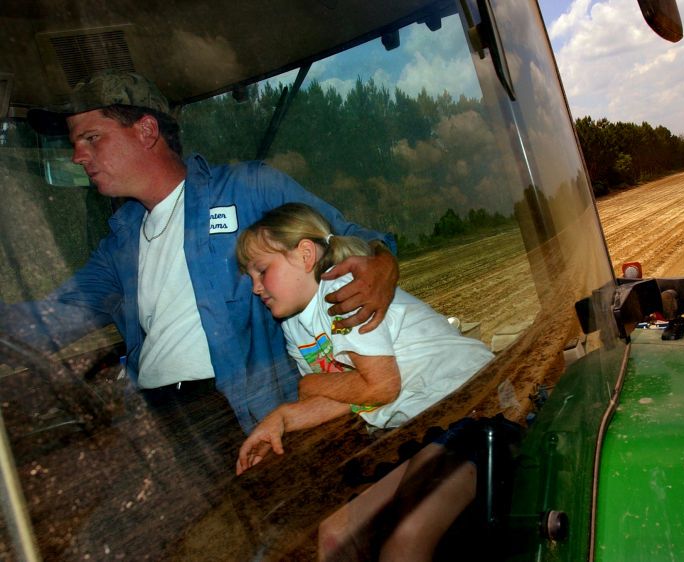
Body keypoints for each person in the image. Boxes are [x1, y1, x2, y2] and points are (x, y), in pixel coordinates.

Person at [6, 70, 398, 478]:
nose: (77, 156)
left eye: (91, 138)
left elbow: (357, 240)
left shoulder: (249, 188)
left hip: (230, 413)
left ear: (145, 131)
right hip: (154, 421)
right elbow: (50, 321)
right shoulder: (119, 242)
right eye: (73, 143)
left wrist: (383, 265)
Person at [233, 203, 494, 475]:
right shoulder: (292, 326)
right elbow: (349, 395)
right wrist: (283, 419)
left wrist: (309, 383)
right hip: (427, 416)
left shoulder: (342, 294)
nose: (255, 288)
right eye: (251, 277)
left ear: (305, 255)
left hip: (466, 395)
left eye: (262, 271)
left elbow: (381, 387)